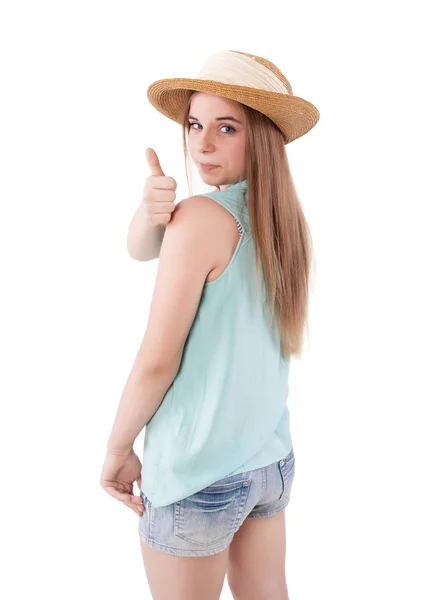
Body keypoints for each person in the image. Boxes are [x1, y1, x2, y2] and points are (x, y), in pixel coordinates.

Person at [100, 49, 319, 600]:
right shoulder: (281, 223)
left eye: (226, 127)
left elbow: (157, 359)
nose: (202, 143)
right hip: (269, 462)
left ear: (262, 136)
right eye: (195, 124)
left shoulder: (201, 218)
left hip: (198, 476)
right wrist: (149, 215)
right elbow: (140, 250)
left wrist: (118, 447)